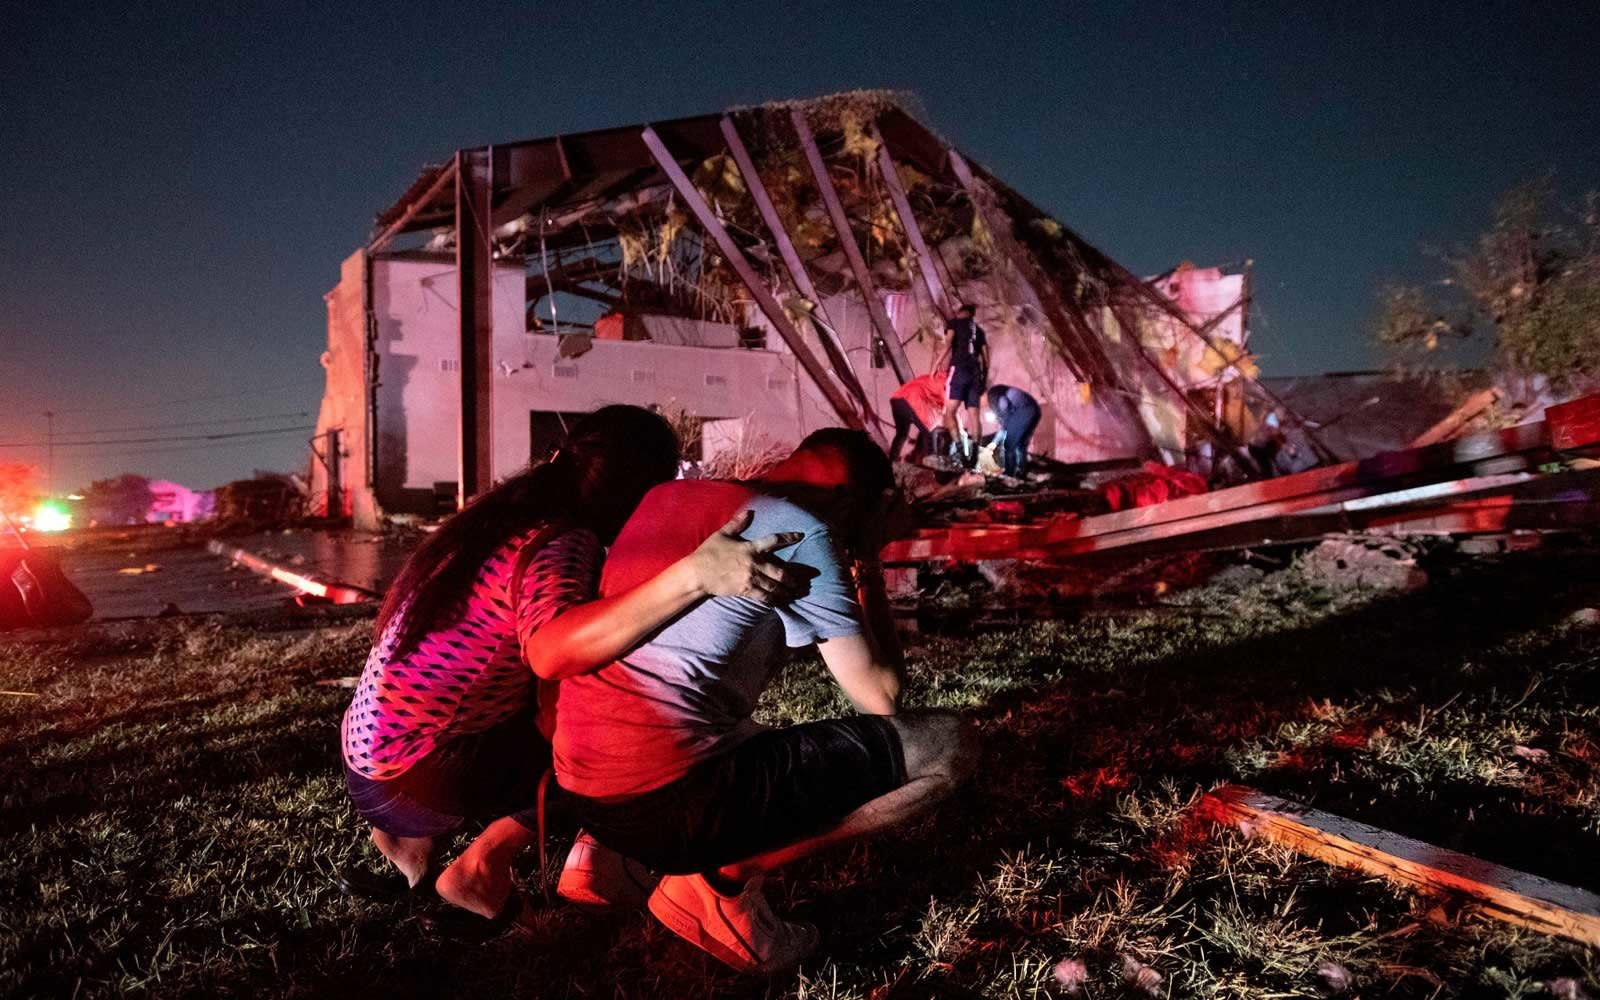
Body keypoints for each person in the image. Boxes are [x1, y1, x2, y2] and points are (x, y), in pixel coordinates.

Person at [338, 405, 804, 936]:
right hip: (420, 774)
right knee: (610, 744)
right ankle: (480, 870)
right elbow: (551, 648)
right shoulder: (561, 540)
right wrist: (694, 576)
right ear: (637, 488)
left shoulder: (495, 520)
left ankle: (409, 846)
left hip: (369, 762)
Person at [552, 429, 979, 975]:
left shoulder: (668, 496)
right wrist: (868, 556)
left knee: (739, 695)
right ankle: (715, 881)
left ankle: (600, 860)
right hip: (670, 805)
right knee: (949, 744)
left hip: (586, 792)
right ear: (852, 503)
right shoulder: (802, 531)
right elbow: (882, 695)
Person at [938, 304, 989, 469]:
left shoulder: (954, 323)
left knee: (949, 412)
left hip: (959, 370)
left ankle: (961, 452)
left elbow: (947, 345)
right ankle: (974, 456)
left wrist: (935, 367)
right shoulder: (979, 331)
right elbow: (986, 360)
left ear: (961, 313)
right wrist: (983, 380)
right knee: (975, 415)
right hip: (976, 373)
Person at [888, 369, 947, 464]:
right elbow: (944, 410)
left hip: (897, 399)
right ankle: (931, 469)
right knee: (932, 435)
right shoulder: (950, 385)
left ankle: (891, 462)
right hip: (912, 400)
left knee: (902, 434)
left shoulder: (934, 376)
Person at [985, 384, 1041, 479]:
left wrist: (993, 443)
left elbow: (1006, 411)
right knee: (1020, 445)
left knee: (1009, 445)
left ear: (982, 396)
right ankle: (1021, 472)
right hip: (1034, 409)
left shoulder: (992, 395)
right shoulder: (996, 397)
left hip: (1023, 410)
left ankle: (1009, 474)